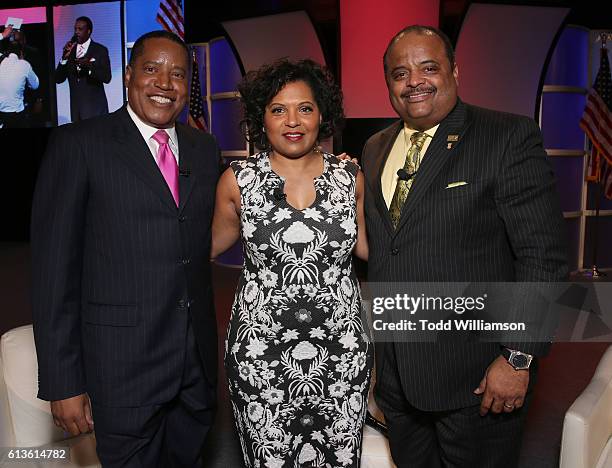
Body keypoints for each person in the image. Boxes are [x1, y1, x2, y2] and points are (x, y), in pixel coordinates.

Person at [361, 25, 568, 467]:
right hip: (397, 379)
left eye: (428, 67)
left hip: (477, 379)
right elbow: (387, 248)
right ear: (389, 85)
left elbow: (543, 258)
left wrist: (517, 358)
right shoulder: (375, 147)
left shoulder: (507, 137)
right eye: (400, 73)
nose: (413, 81)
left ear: (455, 71)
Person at [32, 30, 219, 467]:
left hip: (195, 375)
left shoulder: (204, 149)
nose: (164, 83)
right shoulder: (79, 144)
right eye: (152, 69)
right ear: (129, 74)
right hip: (122, 373)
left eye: (177, 74)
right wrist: (64, 383)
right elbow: (52, 274)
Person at [212, 59, 373, 467]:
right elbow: (200, 248)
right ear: (260, 118)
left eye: (305, 108)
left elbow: (373, 250)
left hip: (341, 352)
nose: (292, 121)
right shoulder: (238, 180)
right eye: (278, 109)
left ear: (322, 115)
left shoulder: (349, 177)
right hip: (260, 353)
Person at [55, 16, 111, 122]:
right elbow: (58, 79)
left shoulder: (100, 50)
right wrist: (64, 58)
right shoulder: (70, 51)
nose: (76, 32)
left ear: (88, 31)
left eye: (80, 29)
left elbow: (107, 77)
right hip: (77, 112)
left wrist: (89, 66)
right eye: (75, 29)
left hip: (96, 111)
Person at [0, 40, 39, 128]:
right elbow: (35, 85)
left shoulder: (1, 62)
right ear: (21, 53)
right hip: (16, 115)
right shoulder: (24, 64)